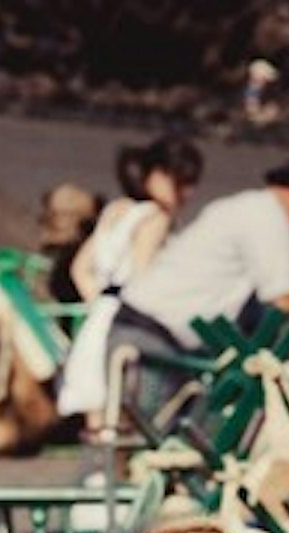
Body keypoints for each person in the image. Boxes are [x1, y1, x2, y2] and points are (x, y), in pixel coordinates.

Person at [105, 150, 289, 381]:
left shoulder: (239, 207)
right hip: (155, 338)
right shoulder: (269, 217)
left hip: (136, 325)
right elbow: (285, 299)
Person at [55, 135, 203, 426]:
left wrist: (100, 304)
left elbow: (80, 268)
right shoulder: (156, 218)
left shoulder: (116, 210)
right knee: (127, 411)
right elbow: (143, 277)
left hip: (99, 318)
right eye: (181, 182)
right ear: (157, 175)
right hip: (132, 320)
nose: (187, 193)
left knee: (96, 412)